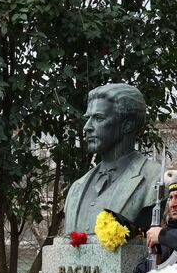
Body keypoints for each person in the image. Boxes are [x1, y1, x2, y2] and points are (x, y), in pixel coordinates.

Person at [62, 83, 165, 233]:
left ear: (127, 125)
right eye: (88, 118)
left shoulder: (156, 179)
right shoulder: (76, 188)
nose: (87, 127)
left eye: (98, 118)